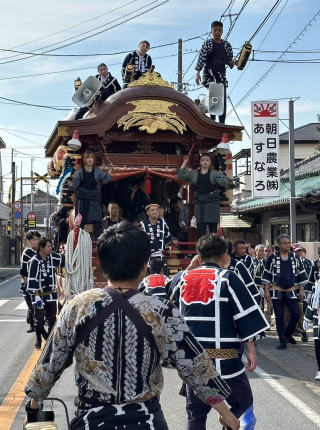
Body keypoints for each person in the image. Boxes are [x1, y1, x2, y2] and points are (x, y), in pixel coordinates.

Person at [24, 222, 240, 430]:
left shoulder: (77, 307)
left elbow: (50, 363)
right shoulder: (161, 310)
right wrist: (225, 412)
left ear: (102, 265)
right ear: (144, 266)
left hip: (91, 419)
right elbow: (195, 365)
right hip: (147, 419)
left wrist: (33, 411)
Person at [172, 234, 269, 430]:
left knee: (196, 415)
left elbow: (168, 299)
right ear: (226, 255)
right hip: (226, 362)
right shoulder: (228, 277)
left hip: (194, 362)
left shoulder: (182, 279)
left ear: (198, 257)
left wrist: (190, 269)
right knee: (243, 409)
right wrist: (251, 350)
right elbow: (244, 316)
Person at [262, 234, 308, 350]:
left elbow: (302, 275)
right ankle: (282, 340)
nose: (288, 245)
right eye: (285, 243)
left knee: (296, 313)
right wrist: (267, 291)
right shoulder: (272, 258)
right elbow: (266, 275)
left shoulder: (294, 257)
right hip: (277, 291)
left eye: (289, 243)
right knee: (279, 316)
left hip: (291, 291)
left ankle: (288, 334)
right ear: (279, 245)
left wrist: (301, 290)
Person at [177, 153, 234, 239]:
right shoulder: (193, 173)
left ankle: (212, 248)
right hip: (200, 202)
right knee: (200, 228)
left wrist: (231, 183)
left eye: (207, 160)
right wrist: (185, 162)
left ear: (210, 162)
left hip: (212, 201)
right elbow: (180, 176)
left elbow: (225, 181)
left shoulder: (214, 173)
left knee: (213, 229)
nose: (205, 162)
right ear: (200, 162)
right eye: (203, 160)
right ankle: (202, 248)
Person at [195, 21, 238, 123]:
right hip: (209, 74)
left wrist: (235, 62)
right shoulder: (208, 43)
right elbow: (201, 58)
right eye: (215, 30)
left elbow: (228, 60)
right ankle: (212, 121)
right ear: (211, 31)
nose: (217, 32)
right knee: (214, 97)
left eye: (219, 30)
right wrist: (197, 73)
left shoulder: (226, 45)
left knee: (222, 99)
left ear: (222, 31)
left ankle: (222, 122)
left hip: (221, 75)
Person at [27, 237, 65, 349]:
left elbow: (65, 260)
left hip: (51, 294)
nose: (51, 248)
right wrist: (36, 297)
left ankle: (50, 341)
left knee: (52, 320)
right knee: (39, 322)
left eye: (51, 246)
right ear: (41, 248)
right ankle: (40, 337)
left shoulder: (52, 257)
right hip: (38, 296)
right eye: (48, 246)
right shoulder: (35, 261)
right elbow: (32, 279)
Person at [67, 149, 113, 240]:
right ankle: (79, 241)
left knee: (97, 222)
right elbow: (74, 186)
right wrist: (71, 185)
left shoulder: (98, 171)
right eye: (88, 158)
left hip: (94, 198)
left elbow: (104, 181)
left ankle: (98, 242)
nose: (90, 159)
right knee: (80, 222)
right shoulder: (80, 171)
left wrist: (109, 172)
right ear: (84, 159)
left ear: (94, 159)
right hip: (82, 199)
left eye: (92, 157)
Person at [140, 203, 173, 276]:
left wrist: (162, 244)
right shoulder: (142, 225)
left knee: (165, 278)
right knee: (148, 279)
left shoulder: (162, 223)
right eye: (152, 210)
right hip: (148, 257)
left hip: (160, 256)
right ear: (147, 212)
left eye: (156, 210)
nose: (155, 212)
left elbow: (168, 236)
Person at [20, 230, 41, 333]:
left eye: (38, 239)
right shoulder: (27, 253)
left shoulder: (41, 250)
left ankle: (32, 321)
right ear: (28, 241)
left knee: (35, 306)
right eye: (33, 239)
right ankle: (32, 325)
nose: (36, 241)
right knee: (32, 306)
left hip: (39, 284)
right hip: (28, 283)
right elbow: (23, 271)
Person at [304, 265, 320, 380]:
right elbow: (312, 302)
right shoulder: (317, 284)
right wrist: (306, 318)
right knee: (318, 344)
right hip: (318, 317)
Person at [292, 243, 309, 342]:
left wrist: (302, 290)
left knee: (299, 313)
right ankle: (288, 334)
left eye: (299, 250)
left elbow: (304, 278)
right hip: (289, 291)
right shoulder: (289, 261)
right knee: (287, 315)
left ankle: (303, 332)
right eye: (296, 251)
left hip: (299, 291)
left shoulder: (305, 263)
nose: (298, 252)